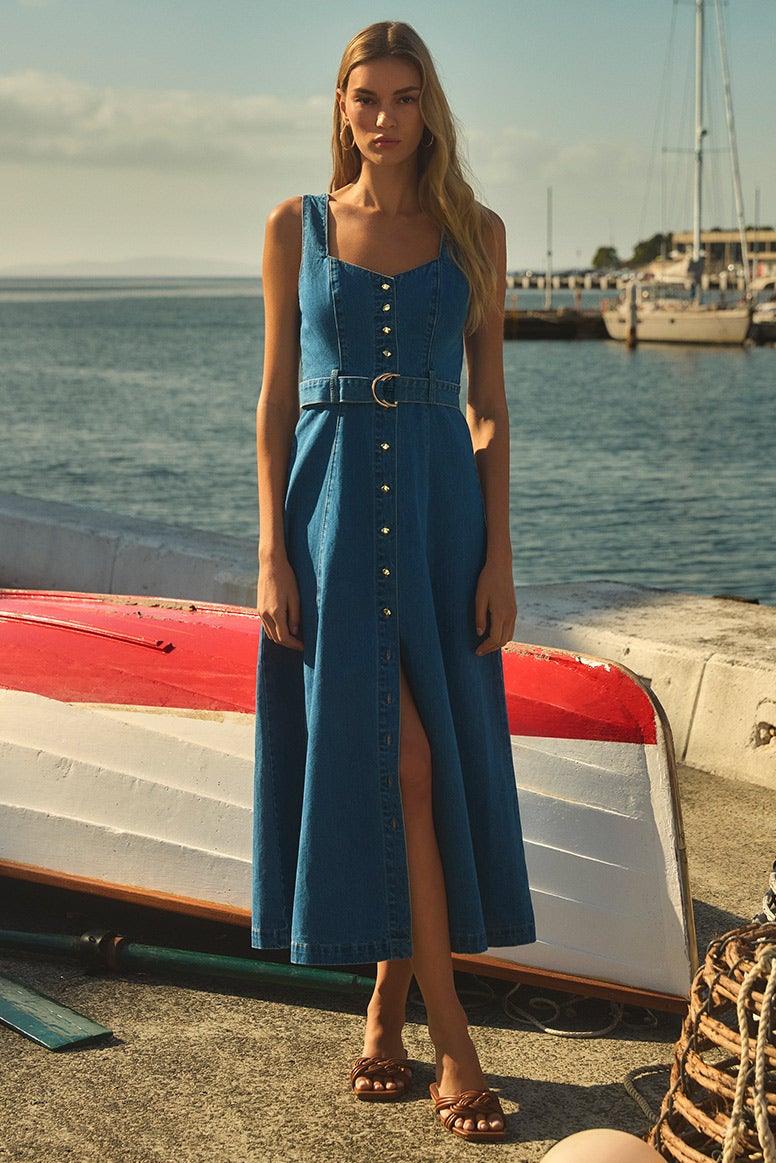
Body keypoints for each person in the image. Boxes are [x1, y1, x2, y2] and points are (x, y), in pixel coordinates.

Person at [253, 20, 535, 1143]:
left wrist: (500, 551)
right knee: (395, 757)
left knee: (415, 763)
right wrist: (271, 549)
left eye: (403, 98)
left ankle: (387, 1003)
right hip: (325, 515)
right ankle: (449, 1034)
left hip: (436, 517)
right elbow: (274, 403)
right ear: (339, 107)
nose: (381, 117)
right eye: (362, 97)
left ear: (430, 111)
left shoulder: (476, 231)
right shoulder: (295, 227)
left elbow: (489, 407)